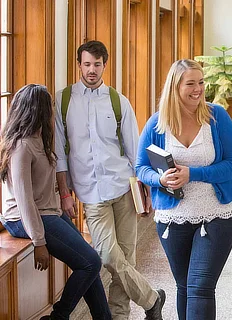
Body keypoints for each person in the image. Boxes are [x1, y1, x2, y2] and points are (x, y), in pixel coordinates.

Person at [54, 40, 165, 320]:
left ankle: (120, 317)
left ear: (105, 65)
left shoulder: (118, 101)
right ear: (78, 64)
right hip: (90, 194)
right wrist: (64, 193)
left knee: (125, 259)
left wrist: (147, 190)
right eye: (87, 64)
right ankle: (151, 299)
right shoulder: (63, 100)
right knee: (107, 257)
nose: (92, 70)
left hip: (123, 189)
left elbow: (134, 150)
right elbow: (58, 153)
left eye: (97, 64)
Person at [135, 59, 232, 320]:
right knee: (184, 287)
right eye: (191, 83)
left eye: (201, 82)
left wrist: (193, 174)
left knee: (201, 287)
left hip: (217, 215)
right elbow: (141, 167)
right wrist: (161, 180)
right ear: (175, 87)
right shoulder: (157, 124)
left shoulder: (217, 117)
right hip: (173, 219)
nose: (198, 89)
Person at [0, 84, 111, 320]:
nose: (53, 110)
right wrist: (39, 241)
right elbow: (25, 200)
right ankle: (58, 317)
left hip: (47, 212)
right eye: (50, 105)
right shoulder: (22, 146)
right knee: (90, 262)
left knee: (89, 261)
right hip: (24, 218)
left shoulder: (40, 138)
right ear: (38, 110)